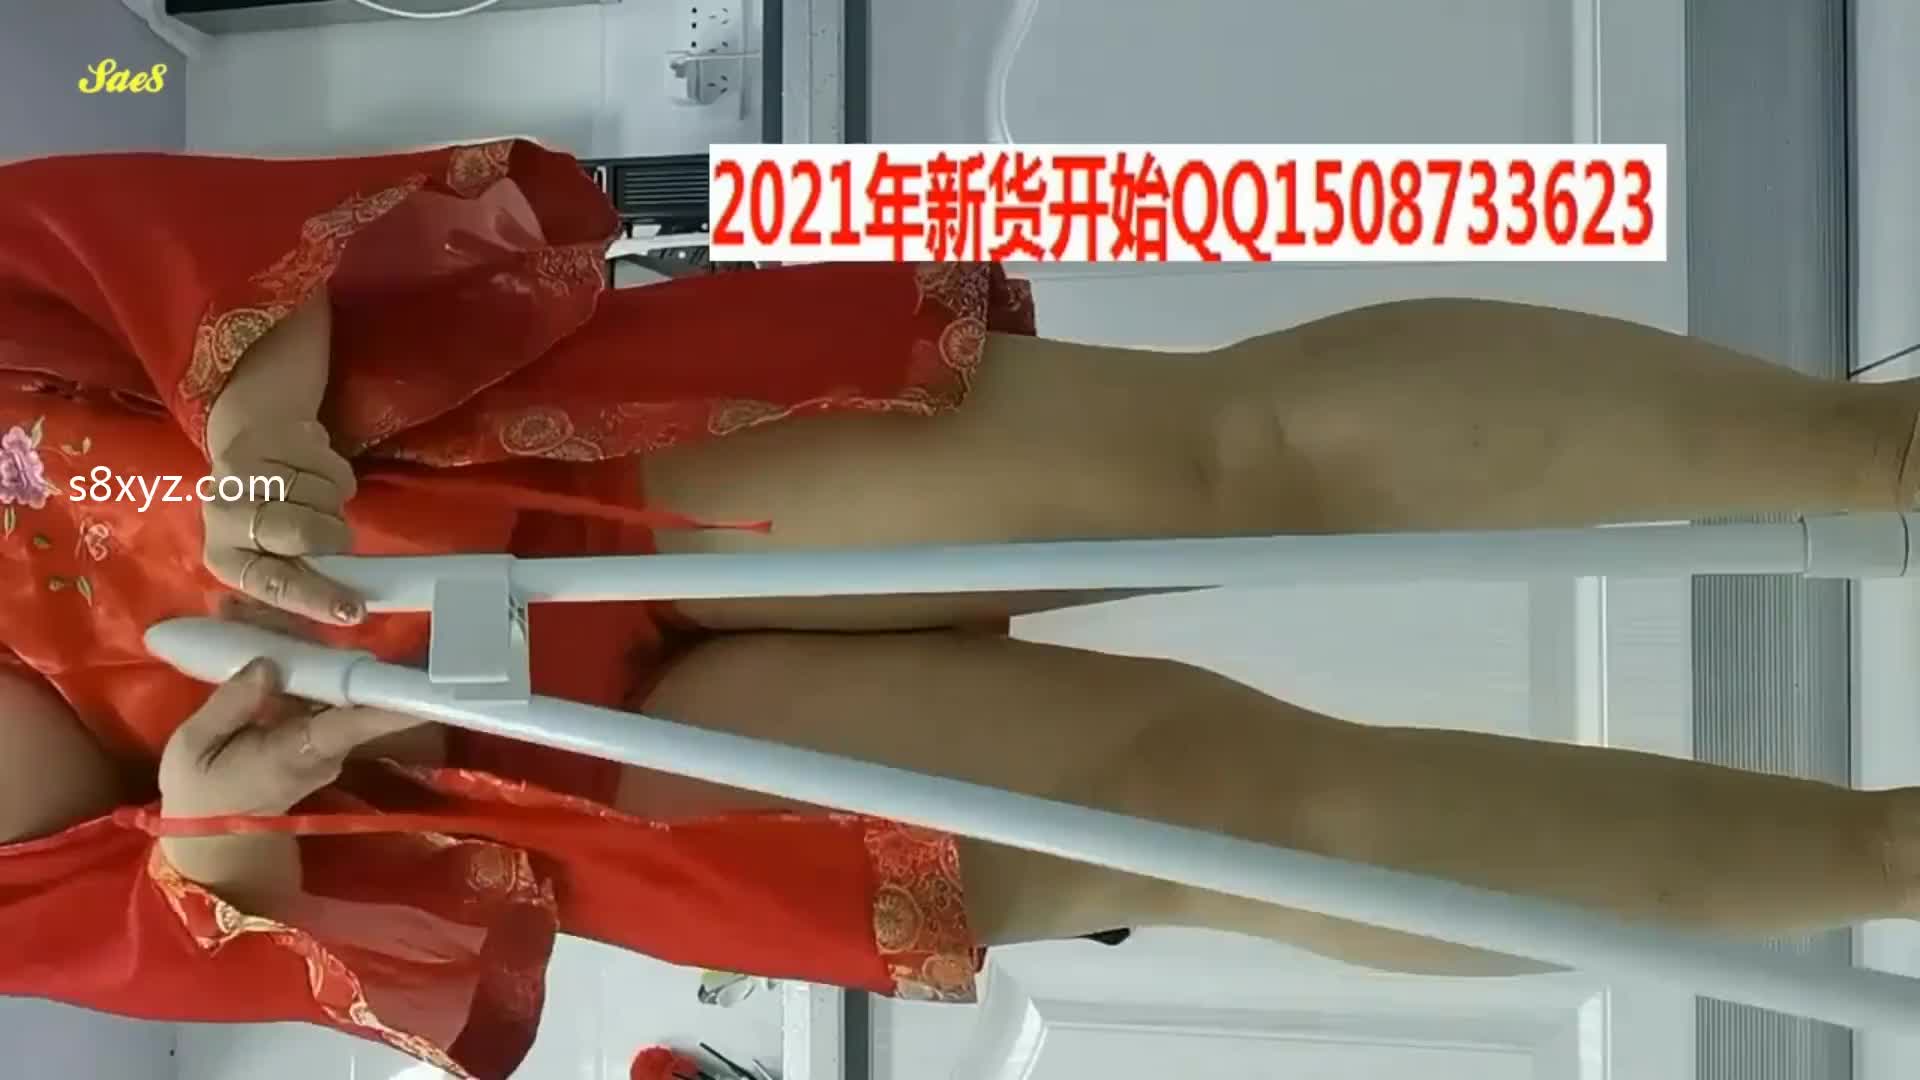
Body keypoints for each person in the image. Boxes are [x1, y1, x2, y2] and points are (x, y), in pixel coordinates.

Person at [0, 139, 1913, 1079]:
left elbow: (138, 241)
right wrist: (223, 821)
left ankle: (1888, 456)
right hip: (499, 792)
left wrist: (253, 422)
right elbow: (156, 932)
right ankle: (1894, 860)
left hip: (525, 456)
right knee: (1228, 821)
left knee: (1228, 463)